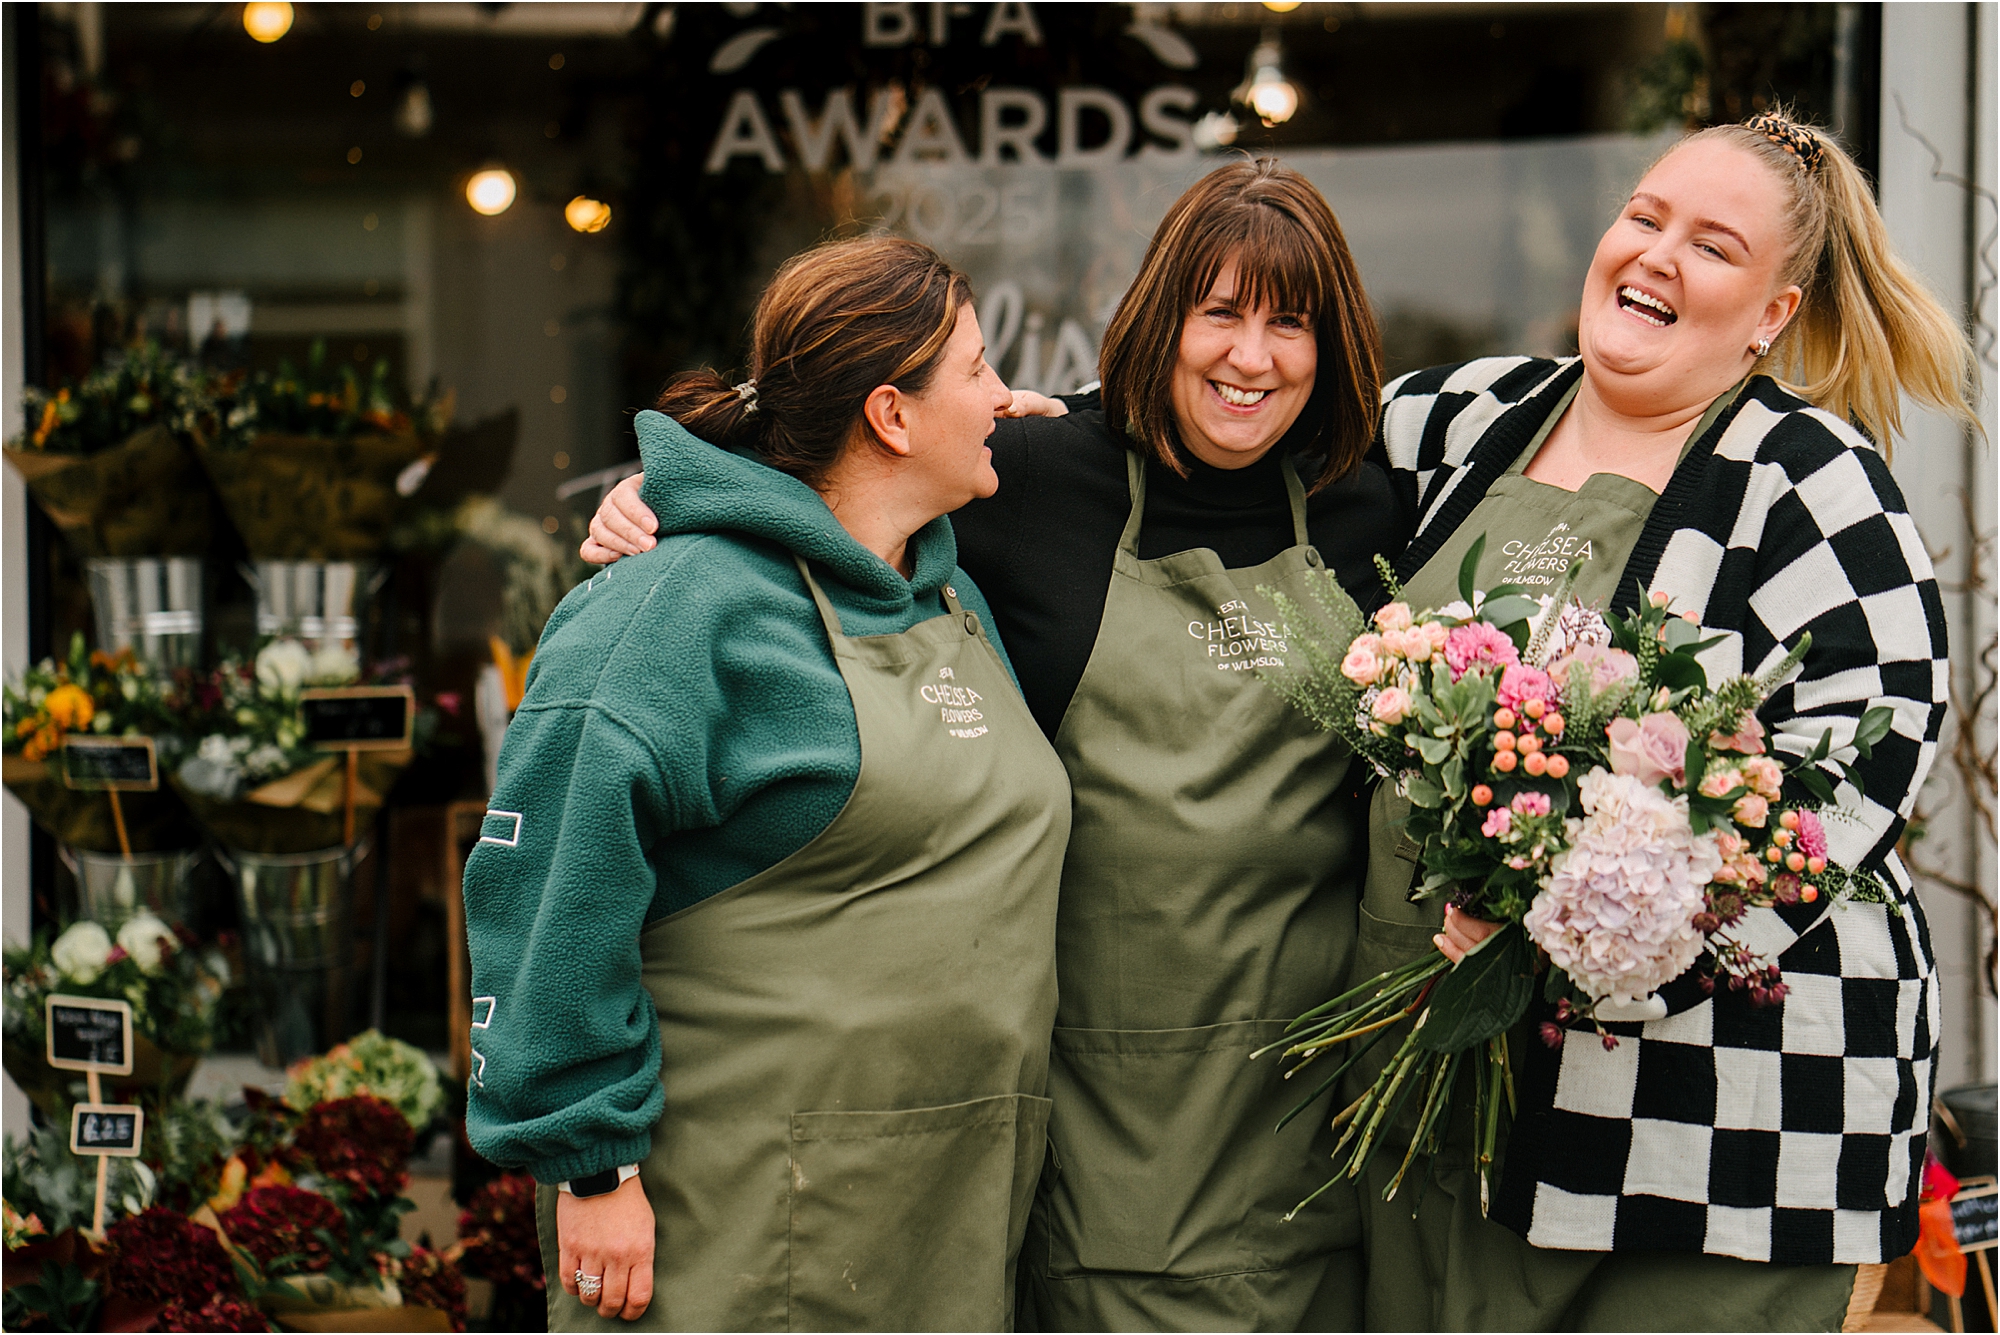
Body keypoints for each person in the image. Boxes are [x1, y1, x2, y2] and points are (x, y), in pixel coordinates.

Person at [583, 159, 1411, 1331]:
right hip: (1101, 1130)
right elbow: (831, 464)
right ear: (1159, 318)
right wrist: (659, 498)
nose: (1250, 356)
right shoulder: (1023, 474)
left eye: (1291, 323)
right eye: (1217, 312)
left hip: (1304, 1114)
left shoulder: (1372, 509)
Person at [1346, 111, 1977, 1330]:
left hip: (1729, 1117)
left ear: (1770, 317)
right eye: (1643, 217)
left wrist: (1590, 941)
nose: (1654, 255)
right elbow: (1263, 432)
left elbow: (1854, 778)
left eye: (1711, 246)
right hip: (1467, 1087)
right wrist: (1064, 427)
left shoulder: (1806, 476)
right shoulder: (1469, 416)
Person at [463, 235, 1074, 1331]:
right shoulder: (673, 605)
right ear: (890, 416)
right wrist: (590, 1168)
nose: (1005, 396)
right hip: (742, 1225)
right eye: (979, 369)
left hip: (945, 1214)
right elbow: (544, 883)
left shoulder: (948, 594)